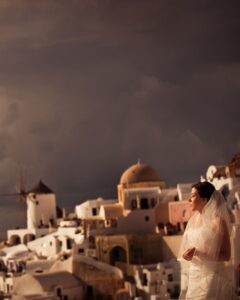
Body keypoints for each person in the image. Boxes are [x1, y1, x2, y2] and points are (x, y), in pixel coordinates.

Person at [178, 181, 233, 299]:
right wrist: (186, 254)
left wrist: (198, 253)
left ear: (204, 200)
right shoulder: (192, 222)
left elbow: (226, 256)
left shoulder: (218, 222)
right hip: (194, 277)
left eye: (193, 196)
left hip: (211, 278)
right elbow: (187, 249)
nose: (189, 200)